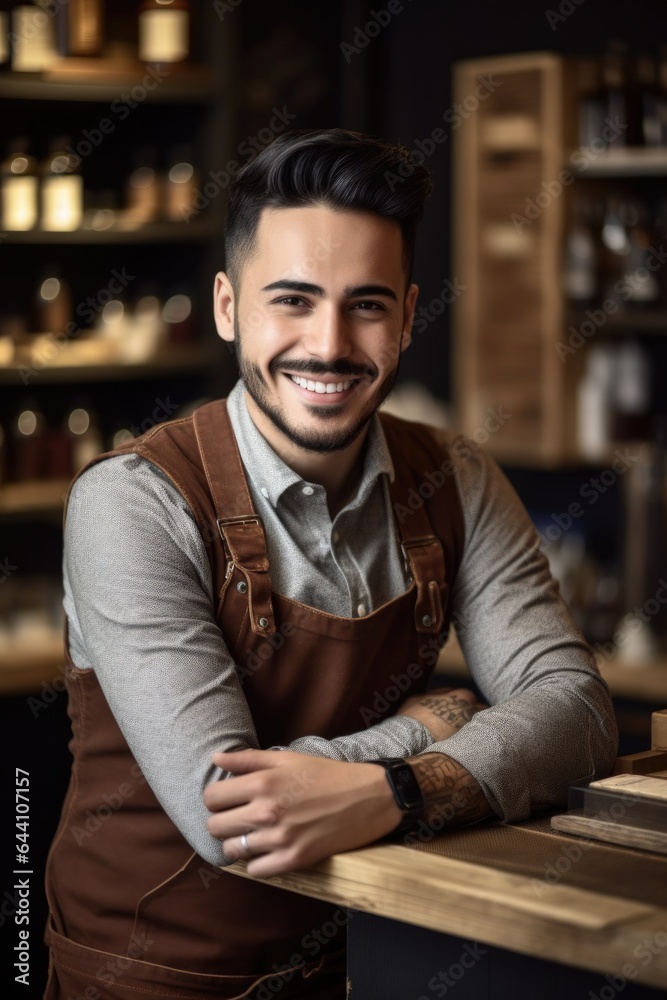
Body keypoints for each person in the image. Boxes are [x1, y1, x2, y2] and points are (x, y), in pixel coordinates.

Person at [44, 128, 617, 999]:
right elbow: (226, 816)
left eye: (367, 305)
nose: (330, 343)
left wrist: (401, 788)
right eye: (293, 300)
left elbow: (577, 712)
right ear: (230, 307)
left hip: (360, 970)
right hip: (150, 982)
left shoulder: (458, 478)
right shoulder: (131, 503)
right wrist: (426, 729)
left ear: (408, 314)